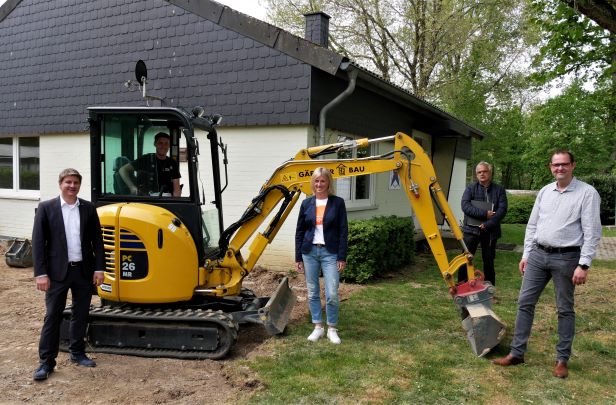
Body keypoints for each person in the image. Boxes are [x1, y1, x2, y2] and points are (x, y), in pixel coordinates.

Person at [492, 150, 601, 378]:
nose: (560, 168)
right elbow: (533, 225)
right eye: (555, 165)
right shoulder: (545, 191)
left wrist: (584, 265)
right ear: (550, 167)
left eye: (564, 164)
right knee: (525, 303)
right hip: (538, 255)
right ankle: (516, 353)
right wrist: (526, 254)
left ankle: (562, 360)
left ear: (573, 165)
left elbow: (592, 232)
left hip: (567, 258)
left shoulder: (587, 193)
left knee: (564, 309)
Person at [31, 168, 105, 381]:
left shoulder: (88, 208)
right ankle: (46, 362)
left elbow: (97, 241)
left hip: (83, 271)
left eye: (76, 183)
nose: (72, 186)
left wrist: (99, 269)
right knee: (52, 316)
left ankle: (77, 353)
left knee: (80, 314)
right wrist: (41, 273)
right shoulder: (46, 208)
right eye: (68, 182)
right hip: (56, 273)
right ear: (61, 184)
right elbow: (38, 243)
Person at [295, 168, 348, 344]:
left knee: (332, 293)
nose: (319, 184)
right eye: (316, 181)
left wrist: (342, 257)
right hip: (309, 252)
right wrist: (298, 257)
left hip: (330, 253)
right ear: (313, 182)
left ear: (328, 182)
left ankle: (332, 328)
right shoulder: (306, 203)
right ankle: (318, 326)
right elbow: (300, 231)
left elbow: (343, 231)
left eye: (323, 181)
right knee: (313, 292)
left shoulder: (338, 203)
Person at [458, 161, 507, 286]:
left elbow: (502, 210)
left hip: (490, 231)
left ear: (490, 173)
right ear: (476, 174)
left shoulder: (499, 190)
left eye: (484, 171)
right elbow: (465, 206)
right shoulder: (470, 188)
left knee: (489, 261)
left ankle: (489, 289)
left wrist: (488, 224)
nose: (482, 174)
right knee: (465, 259)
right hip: (471, 231)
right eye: (479, 172)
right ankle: (461, 287)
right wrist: (484, 214)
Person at [119, 132, 181, 197]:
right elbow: (122, 170)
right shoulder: (145, 159)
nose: (163, 146)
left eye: (166, 144)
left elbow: (176, 189)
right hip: (148, 198)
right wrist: (132, 187)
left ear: (169, 146)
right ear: (155, 144)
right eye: (160, 143)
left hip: (166, 198)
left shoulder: (172, 163)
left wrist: (176, 201)